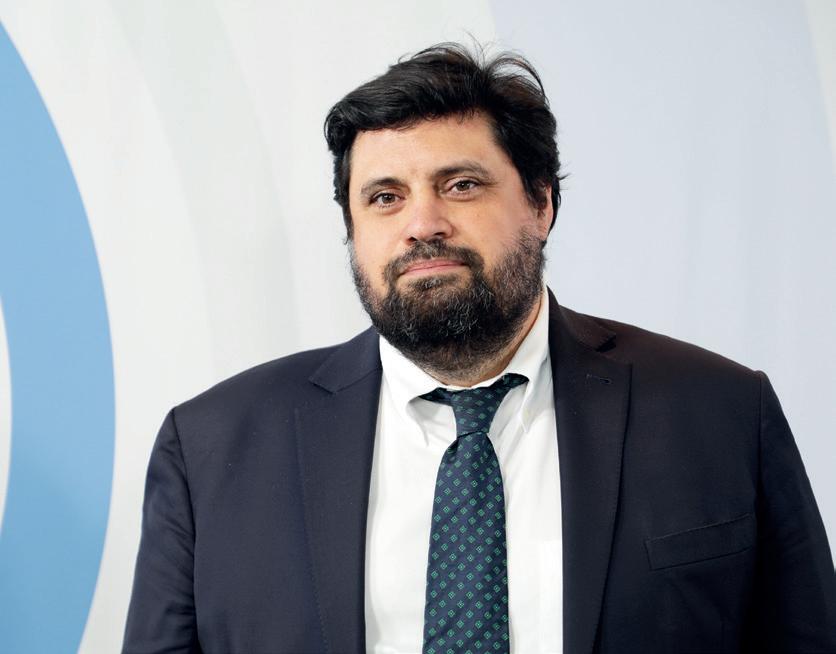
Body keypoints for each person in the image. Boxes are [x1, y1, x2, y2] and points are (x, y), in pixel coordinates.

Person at [123, 43, 836, 653]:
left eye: (461, 185)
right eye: (384, 197)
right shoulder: (211, 447)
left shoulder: (721, 413)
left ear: (541, 204)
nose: (422, 223)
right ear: (353, 231)